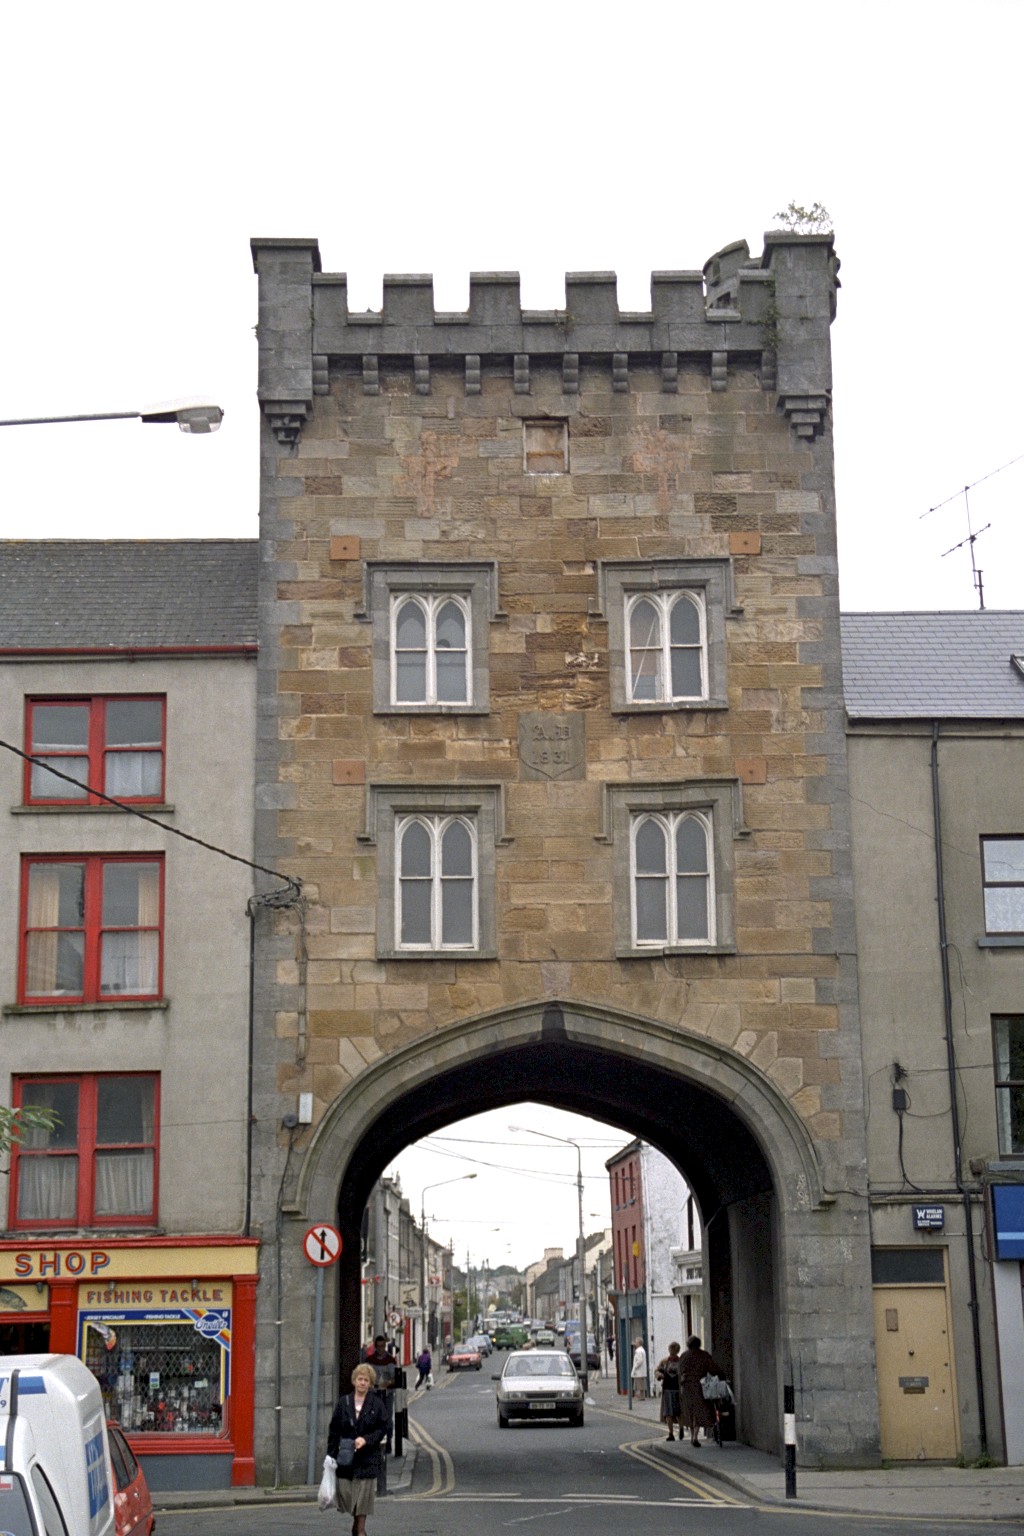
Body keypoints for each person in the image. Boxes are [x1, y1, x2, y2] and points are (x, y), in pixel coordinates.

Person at [326, 1362, 388, 1536]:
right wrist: (330, 1455)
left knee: (363, 1497)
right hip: (347, 1460)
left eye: (366, 1380)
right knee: (349, 1496)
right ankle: (356, 1524)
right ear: (354, 1381)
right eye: (360, 1379)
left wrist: (366, 1440)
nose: (362, 1383)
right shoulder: (343, 1403)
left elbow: (383, 1428)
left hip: (367, 1458)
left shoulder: (376, 1404)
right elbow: (334, 1430)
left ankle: (360, 1530)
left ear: (370, 1383)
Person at [679, 1333, 726, 1448]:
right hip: (699, 1386)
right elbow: (713, 1368)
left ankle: (692, 1437)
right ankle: (695, 1436)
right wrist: (721, 1375)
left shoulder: (684, 1356)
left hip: (687, 1387)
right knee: (699, 1410)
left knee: (690, 1411)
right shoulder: (703, 1355)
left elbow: (680, 1371)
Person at [655, 1341, 684, 1440]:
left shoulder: (665, 1361)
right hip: (677, 1390)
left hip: (668, 1389)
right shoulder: (681, 1362)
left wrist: (660, 1375)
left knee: (668, 1413)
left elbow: (657, 1371)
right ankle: (680, 1429)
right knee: (678, 1412)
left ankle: (671, 1433)